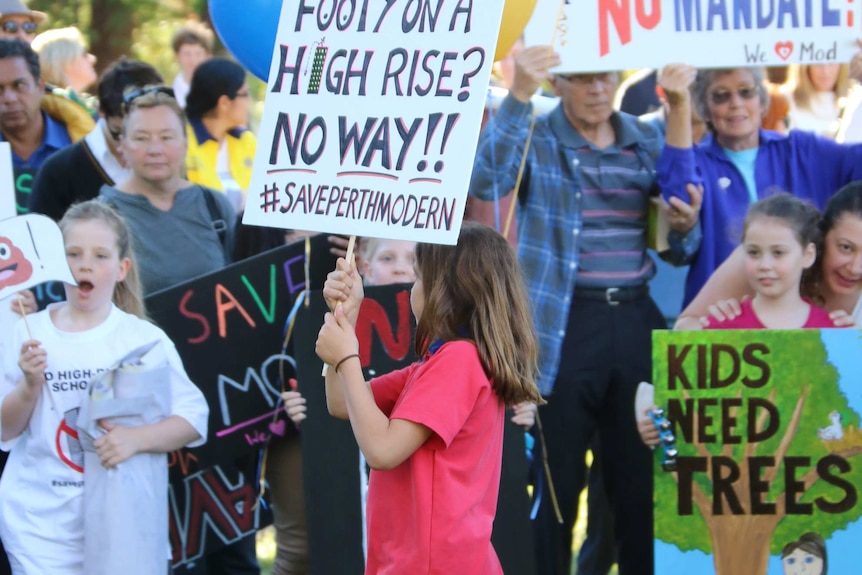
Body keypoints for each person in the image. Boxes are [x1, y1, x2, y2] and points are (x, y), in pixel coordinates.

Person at [470, 44, 691, 575]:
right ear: (558, 84)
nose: (596, 88)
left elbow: (681, 245)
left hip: (635, 318)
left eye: (604, 76)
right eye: (582, 78)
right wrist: (519, 94)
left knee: (641, 481)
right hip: (561, 327)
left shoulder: (646, 137)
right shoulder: (538, 135)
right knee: (556, 481)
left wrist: (684, 223)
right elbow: (486, 181)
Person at [316, 222, 543, 574]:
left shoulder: (459, 361)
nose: (411, 287)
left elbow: (382, 451)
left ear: (445, 291)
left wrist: (346, 356)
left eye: (419, 278)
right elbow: (341, 403)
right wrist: (348, 317)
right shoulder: (436, 364)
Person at [0, 200, 209, 574]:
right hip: (38, 528)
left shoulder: (143, 340)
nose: (85, 265)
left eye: (100, 255)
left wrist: (137, 439)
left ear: (121, 269)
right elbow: (5, 428)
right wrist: (30, 385)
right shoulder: (27, 334)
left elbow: (194, 418)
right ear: (54, 261)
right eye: (74, 254)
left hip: (123, 525)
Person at [657, 63, 862, 308]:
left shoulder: (800, 151)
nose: (736, 103)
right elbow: (679, 194)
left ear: (763, 101)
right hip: (724, 315)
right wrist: (679, 105)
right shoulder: (698, 162)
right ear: (705, 109)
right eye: (721, 96)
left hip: (801, 319)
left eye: (746, 91)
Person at [99, 85, 235, 296]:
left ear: (185, 143)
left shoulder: (215, 206)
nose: (155, 150)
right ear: (122, 145)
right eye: (141, 138)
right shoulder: (101, 217)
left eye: (166, 137)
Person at [676, 181, 862, 328]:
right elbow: (683, 332)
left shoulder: (839, 330)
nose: (855, 268)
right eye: (845, 247)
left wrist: (853, 348)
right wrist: (714, 326)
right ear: (822, 237)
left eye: (778, 253)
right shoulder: (763, 257)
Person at [29, 57, 163, 221]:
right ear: (101, 111)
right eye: (119, 133)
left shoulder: (167, 159)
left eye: (144, 136)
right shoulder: (58, 172)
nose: (129, 146)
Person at [701, 194, 837, 329]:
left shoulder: (833, 331)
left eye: (778, 253)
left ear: (808, 255)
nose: (764, 265)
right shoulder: (721, 326)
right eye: (754, 252)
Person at [0, 39, 94, 191]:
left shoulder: (79, 143)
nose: (9, 98)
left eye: (19, 85)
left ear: (41, 86)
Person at [184, 57, 255, 212]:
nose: (250, 100)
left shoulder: (247, 141)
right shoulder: (182, 142)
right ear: (224, 103)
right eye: (245, 94)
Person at [780, 64, 850, 138]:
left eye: (832, 62)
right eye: (818, 62)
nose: (825, 71)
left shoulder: (854, 100)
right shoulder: (784, 100)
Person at [170, 21, 213, 109]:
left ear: (208, 57)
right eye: (187, 54)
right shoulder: (171, 96)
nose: (193, 60)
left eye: (198, 54)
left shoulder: (219, 90)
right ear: (177, 56)